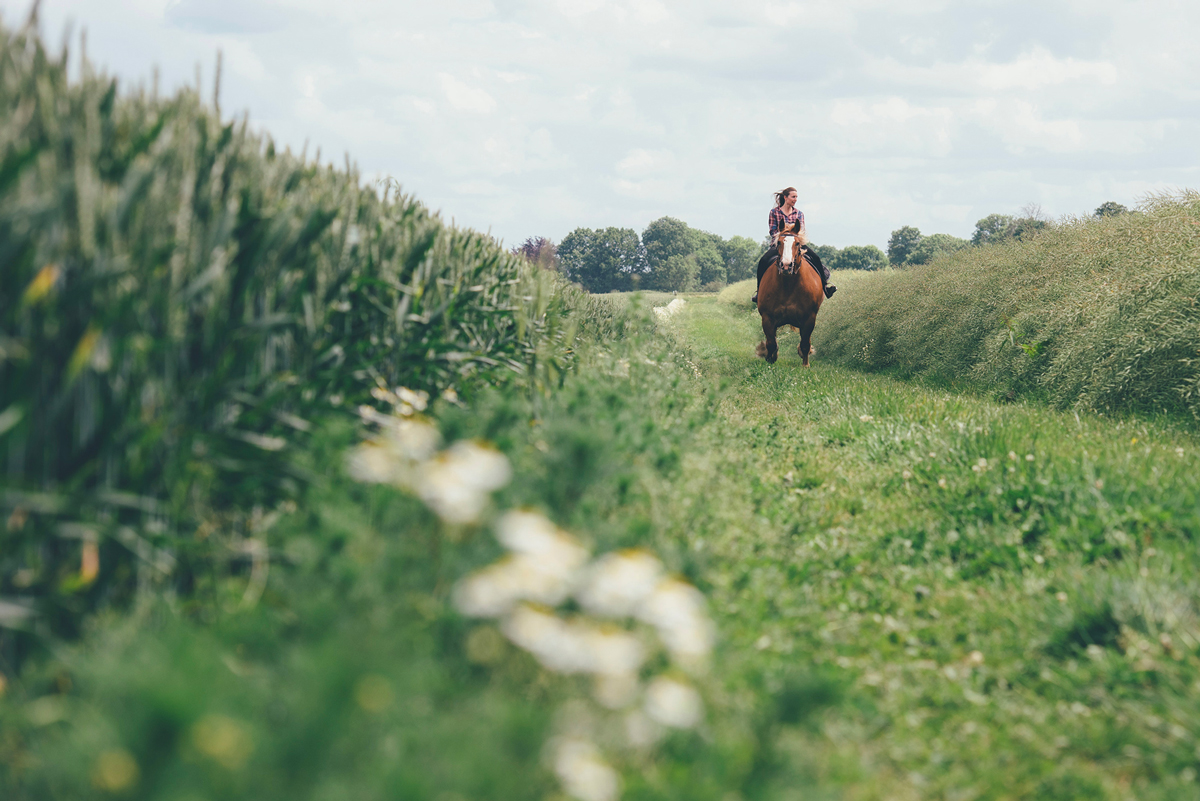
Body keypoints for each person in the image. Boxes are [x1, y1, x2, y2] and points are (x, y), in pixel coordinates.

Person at [751, 187, 836, 304]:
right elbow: (773, 231)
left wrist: (792, 237)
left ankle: (825, 287)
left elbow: (801, 231)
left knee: (816, 258)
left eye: (796, 197)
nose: (795, 199)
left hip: (796, 245)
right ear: (785, 197)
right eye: (793, 197)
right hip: (780, 245)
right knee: (763, 261)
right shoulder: (774, 212)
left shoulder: (799, 213)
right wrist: (785, 236)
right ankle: (759, 292)